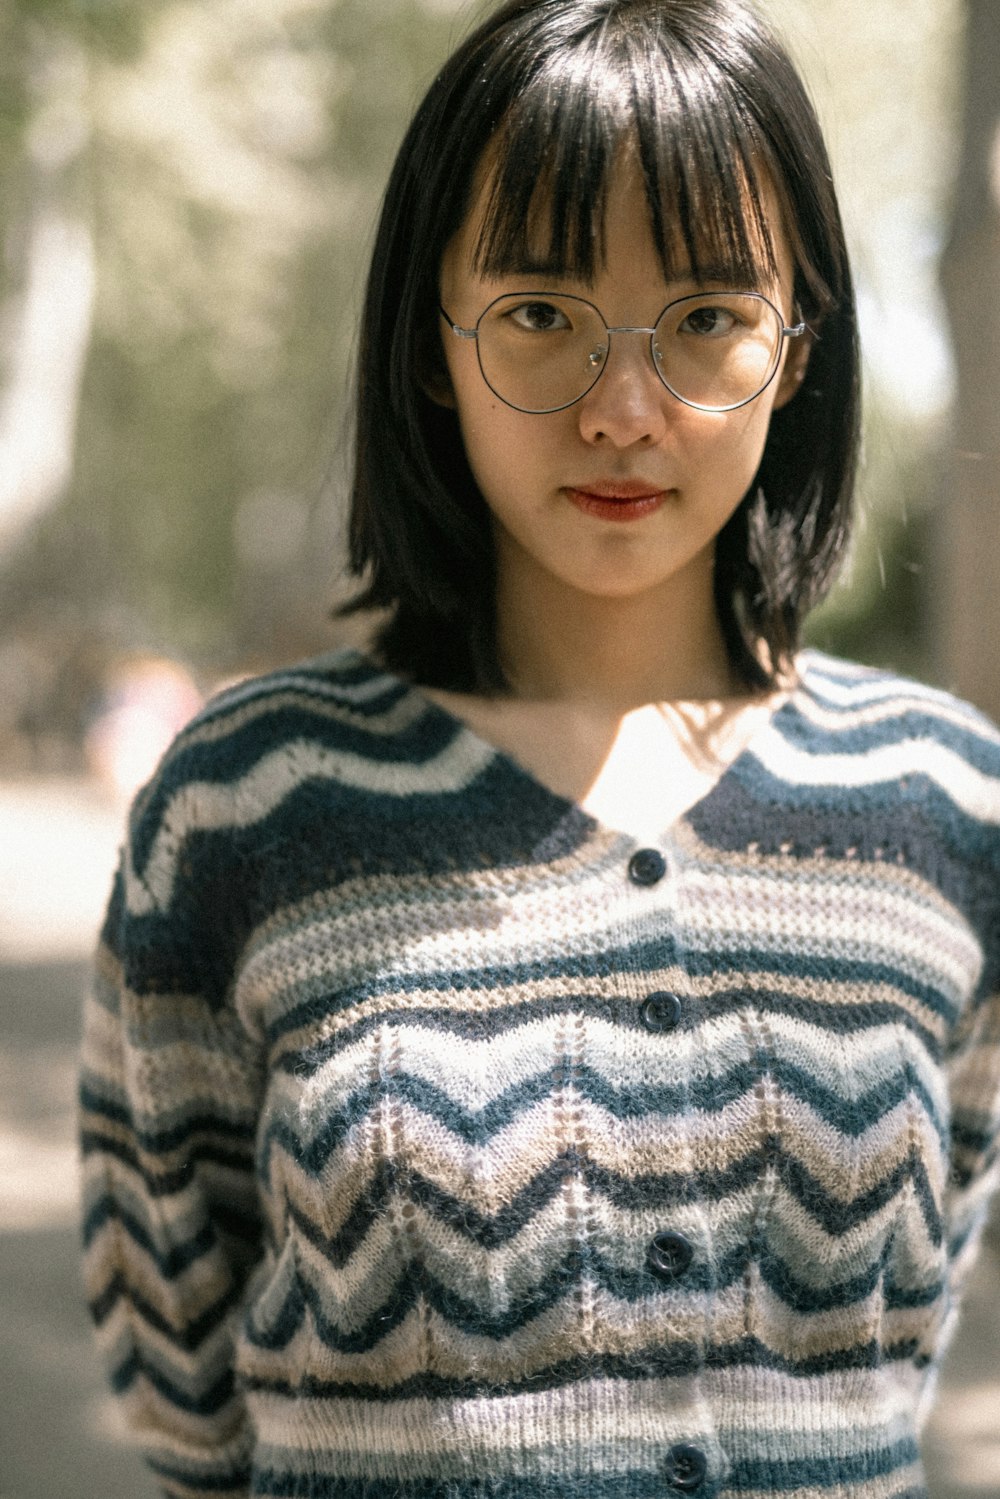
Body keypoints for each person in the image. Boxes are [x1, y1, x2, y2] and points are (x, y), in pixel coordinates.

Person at [79, 1, 1000, 1496]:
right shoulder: (245, 808)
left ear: (799, 347)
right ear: (433, 344)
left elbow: (912, 1318)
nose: (624, 410)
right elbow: (182, 1383)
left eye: (706, 319)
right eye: (540, 316)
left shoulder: (945, 807)